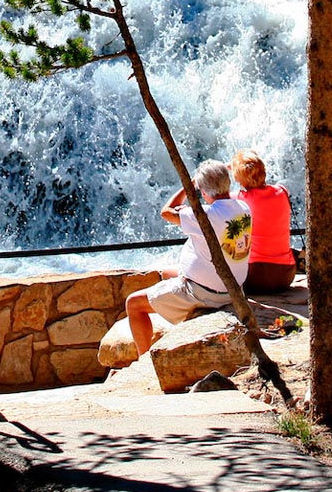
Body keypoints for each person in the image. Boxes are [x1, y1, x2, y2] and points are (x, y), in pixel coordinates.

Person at [125, 159, 252, 355]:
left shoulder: (203, 215)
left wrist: (189, 184)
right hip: (233, 288)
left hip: (204, 292)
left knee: (133, 303)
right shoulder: (243, 208)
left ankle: (144, 360)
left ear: (202, 190)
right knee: (165, 273)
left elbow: (166, 211)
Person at [229, 148, 296, 294]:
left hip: (255, 278)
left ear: (238, 178)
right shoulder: (282, 191)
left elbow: (215, 194)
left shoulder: (239, 199)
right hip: (287, 275)